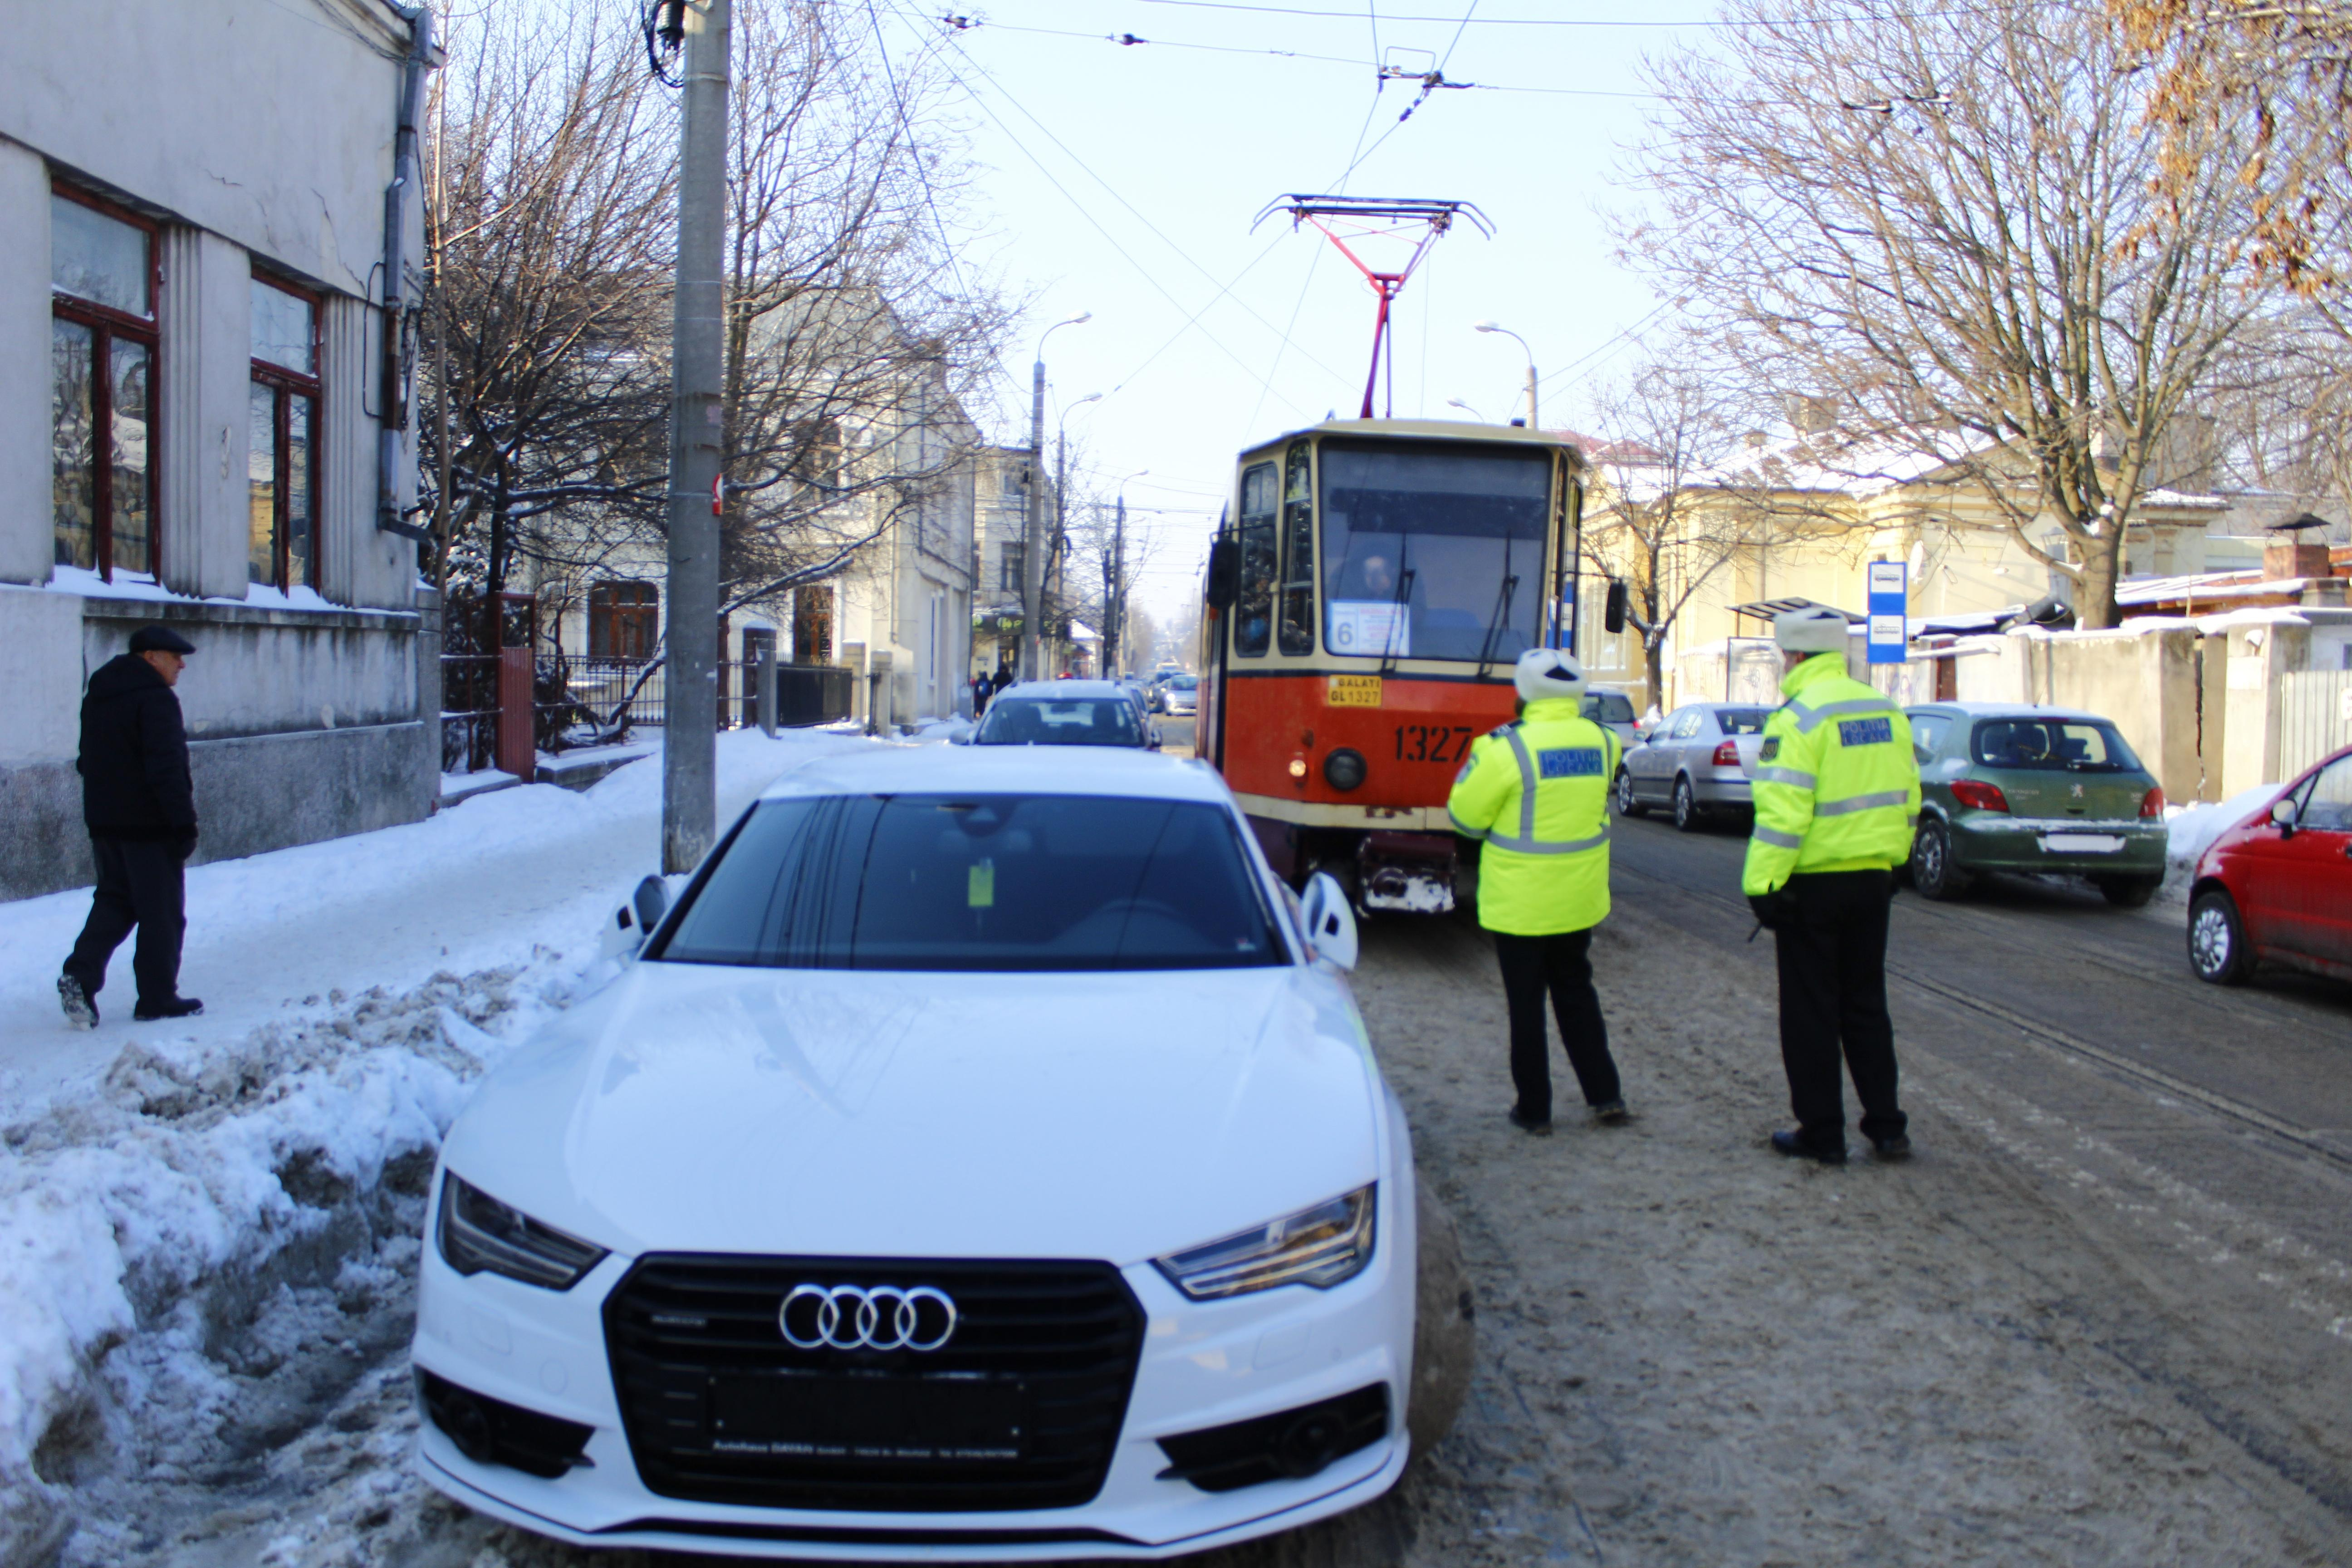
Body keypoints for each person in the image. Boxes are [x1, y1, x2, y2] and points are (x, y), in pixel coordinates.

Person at [1742, 606, 1921, 1164]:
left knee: (1811, 1012)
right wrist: (1895, 862)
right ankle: (1887, 1127)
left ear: (1795, 656)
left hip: (1813, 889)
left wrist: (1764, 887)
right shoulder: (1886, 711)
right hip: (1873, 882)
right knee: (1866, 1005)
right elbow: (1909, 798)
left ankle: (1822, 1133)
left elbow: (1782, 815)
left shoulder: (1795, 720)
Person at [1447, 647, 1626, 1134]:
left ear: (1523, 694)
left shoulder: (1504, 748)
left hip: (1520, 903)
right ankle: (1605, 1094)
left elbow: (1465, 818)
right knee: (1577, 992)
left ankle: (1535, 1110)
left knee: (1526, 1006)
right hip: (1579, 897)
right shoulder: (1604, 741)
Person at [60, 623, 205, 1027]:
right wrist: (183, 824)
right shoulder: (156, 699)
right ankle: (158, 998)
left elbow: (86, 759)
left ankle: (79, 976)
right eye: (174, 657)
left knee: (115, 901)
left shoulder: (100, 694)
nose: (181, 665)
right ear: (150, 657)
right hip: (150, 826)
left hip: (105, 823)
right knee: (162, 913)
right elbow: (167, 768)